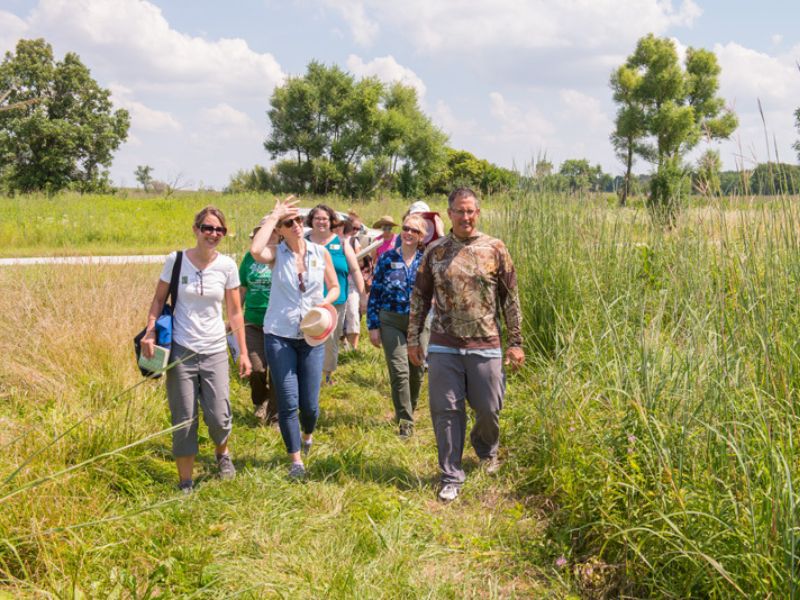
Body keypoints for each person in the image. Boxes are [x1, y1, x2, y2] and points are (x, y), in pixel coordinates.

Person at [407, 188, 525, 503]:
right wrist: (413, 339)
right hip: (444, 343)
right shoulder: (435, 252)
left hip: (486, 343)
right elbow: (419, 298)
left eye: (471, 210)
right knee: (446, 410)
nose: (466, 216)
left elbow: (510, 298)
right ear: (449, 214)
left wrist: (515, 342)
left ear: (478, 212)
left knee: (488, 408)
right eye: (460, 211)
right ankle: (450, 474)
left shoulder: (495, 249)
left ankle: (486, 449)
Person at [141, 205, 251, 494]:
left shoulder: (227, 266)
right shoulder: (176, 261)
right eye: (208, 228)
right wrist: (151, 329)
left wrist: (242, 351)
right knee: (184, 416)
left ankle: (222, 453)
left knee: (218, 414)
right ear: (196, 229)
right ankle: (186, 481)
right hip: (181, 351)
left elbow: (235, 312)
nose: (213, 234)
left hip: (214, 349)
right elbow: (158, 300)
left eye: (219, 230)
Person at [250, 196, 340, 479]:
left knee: (310, 406)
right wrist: (274, 215)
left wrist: (325, 303)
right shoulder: (276, 254)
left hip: (312, 335)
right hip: (279, 334)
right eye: (289, 223)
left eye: (298, 220)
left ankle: (308, 434)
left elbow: (335, 286)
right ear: (280, 230)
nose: (297, 225)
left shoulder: (319, 252)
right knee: (289, 401)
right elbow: (255, 249)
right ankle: (296, 461)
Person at [367, 213, 427, 438]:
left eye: (415, 230)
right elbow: (376, 292)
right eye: (406, 228)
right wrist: (373, 325)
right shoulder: (387, 258)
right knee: (399, 372)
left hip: (419, 325)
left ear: (422, 236)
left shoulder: (426, 261)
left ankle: (409, 407)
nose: (409, 233)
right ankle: (405, 422)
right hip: (390, 320)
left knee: (416, 371)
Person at [304, 204, 364, 385]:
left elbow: (354, 270)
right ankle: (307, 374)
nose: (321, 222)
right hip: (307, 302)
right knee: (307, 338)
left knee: (330, 340)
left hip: (335, 302)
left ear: (331, 222)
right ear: (311, 221)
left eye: (325, 219)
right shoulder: (304, 242)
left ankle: (326, 376)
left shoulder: (342, 243)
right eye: (317, 218)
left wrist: (363, 296)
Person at [239, 227, 279, 425]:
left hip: (278, 323)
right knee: (257, 369)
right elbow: (242, 288)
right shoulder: (248, 259)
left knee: (277, 371)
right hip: (252, 322)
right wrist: (235, 315)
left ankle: (274, 414)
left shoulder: (282, 255)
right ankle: (260, 401)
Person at [340, 218, 362, 351]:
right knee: (339, 317)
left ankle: (353, 349)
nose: (355, 231)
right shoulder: (332, 241)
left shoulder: (354, 241)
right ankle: (341, 345)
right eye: (353, 228)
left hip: (351, 283)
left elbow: (359, 263)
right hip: (336, 283)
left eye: (357, 229)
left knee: (353, 313)